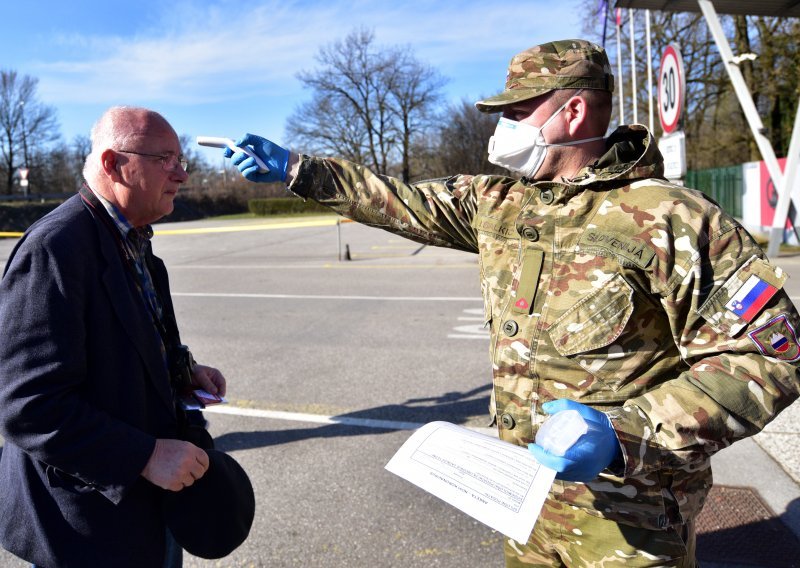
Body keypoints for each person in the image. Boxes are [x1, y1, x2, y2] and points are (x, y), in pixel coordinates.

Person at [224, 39, 800, 567]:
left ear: (572, 112)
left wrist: (628, 432)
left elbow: (773, 355)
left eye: (516, 113)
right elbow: (399, 200)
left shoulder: (675, 219)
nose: (502, 128)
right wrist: (303, 171)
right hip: (523, 505)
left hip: (633, 524)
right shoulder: (500, 203)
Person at [0, 106, 227, 567]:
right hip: (87, 527)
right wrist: (143, 456)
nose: (182, 174)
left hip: (149, 510)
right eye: (166, 159)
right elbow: (27, 404)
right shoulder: (55, 249)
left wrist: (183, 371)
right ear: (112, 164)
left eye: (182, 160)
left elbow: (134, 343)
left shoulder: (137, 242)